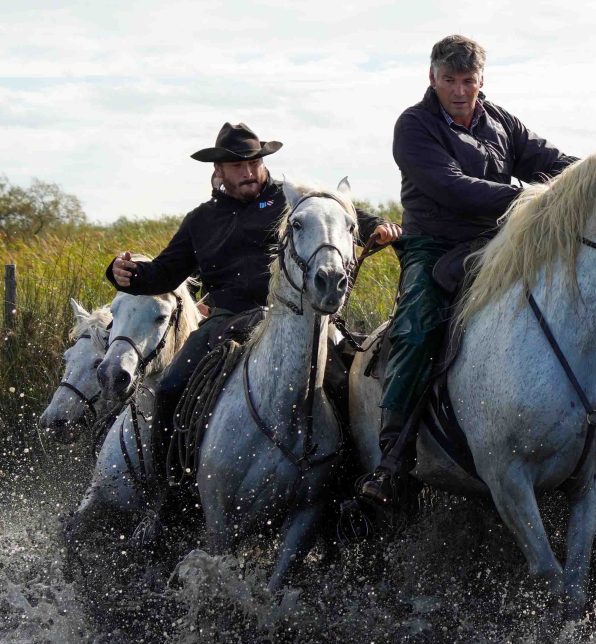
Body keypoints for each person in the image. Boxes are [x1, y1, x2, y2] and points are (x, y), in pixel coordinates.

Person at [107, 122, 400, 472]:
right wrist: (123, 274)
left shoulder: (291, 201)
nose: (248, 172)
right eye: (236, 166)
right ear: (219, 170)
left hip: (300, 319)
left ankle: (354, 486)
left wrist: (380, 226)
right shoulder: (200, 220)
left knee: (345, 385)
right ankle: (169, 496)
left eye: (253, 163)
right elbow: (164, 274)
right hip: (225, 321)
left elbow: (341, 217)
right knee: (171, 387)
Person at [358, 35, 576, 505]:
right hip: (433, 247)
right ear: (432, 78)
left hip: (499, 242)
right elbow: (450, 187)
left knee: (577, 297)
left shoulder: (500, 120)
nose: (459, 90)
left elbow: (550, 160)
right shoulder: (413, 126)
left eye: (468, 81)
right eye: (449, 80)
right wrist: (530, 198)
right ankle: (393, 454)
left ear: (481, 80)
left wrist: (590, 179)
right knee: (416, 329)